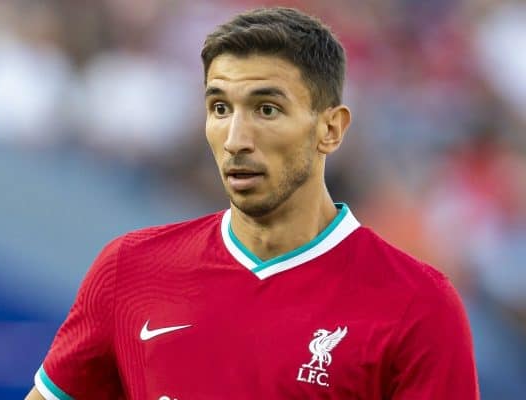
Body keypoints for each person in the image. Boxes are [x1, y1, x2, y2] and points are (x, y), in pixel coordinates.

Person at [26, 7, 479, 400]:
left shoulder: (418, 305)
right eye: (220, 108)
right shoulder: (128, 268)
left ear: (331, 129)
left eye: (267, 109)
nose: (237, 140)